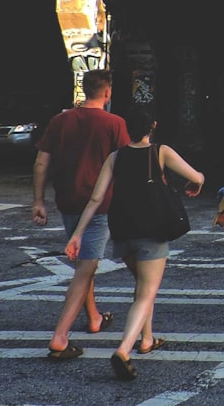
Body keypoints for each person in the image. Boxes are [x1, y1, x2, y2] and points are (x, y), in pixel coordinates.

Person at [66, 105, 204, 381]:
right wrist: (196, 184)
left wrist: (77, 234)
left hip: (123, 232)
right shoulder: (160, 152)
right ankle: (124, 349)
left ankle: (147, 339)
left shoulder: (115, 158)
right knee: (146, 293)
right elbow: (197, 176)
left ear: (127, 128)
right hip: (152, 231)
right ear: (152, 126)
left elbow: (95, 199)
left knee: (142, 287)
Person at [32, 69, 130, 360]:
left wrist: (38, 200)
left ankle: (94, 317)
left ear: (83, 90)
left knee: (84, 261)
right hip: (100, 205)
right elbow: (128, 164)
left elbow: (41, 163)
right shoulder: (115, 123)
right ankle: (60, 336)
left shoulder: (60, 121)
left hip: (67, 200)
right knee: (87, 266)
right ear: (108, 92)